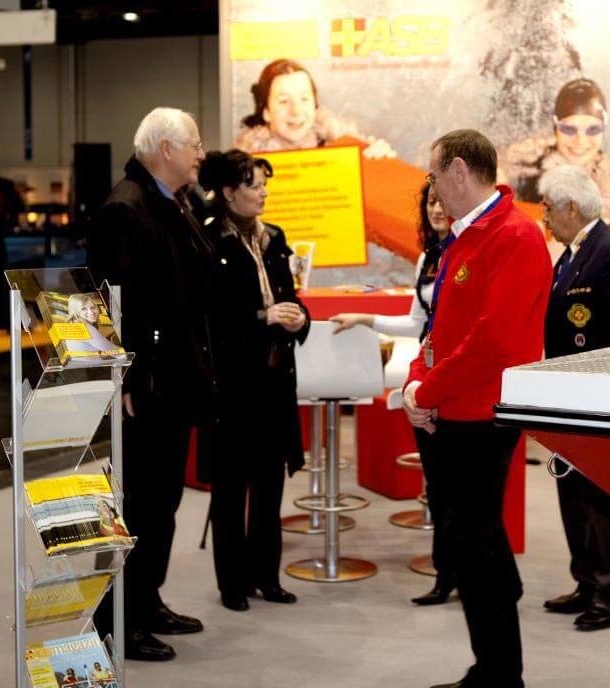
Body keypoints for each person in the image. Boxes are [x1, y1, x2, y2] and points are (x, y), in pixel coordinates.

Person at [403, 129, 551, 688]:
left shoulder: (513, 235)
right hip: (453, 411)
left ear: (459, 171)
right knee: (470, 540)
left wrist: (425, 393)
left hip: (481, 418)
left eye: (435, 175)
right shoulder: (466, 237)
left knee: (473, 543)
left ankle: (498, 675)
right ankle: (491, 667)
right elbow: (440, 330)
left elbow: (495, 342)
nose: (433, 188)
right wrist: (418, 381)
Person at [86, 107, 220, 662]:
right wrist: (125, 376)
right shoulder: (126, 207)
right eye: (193, 144)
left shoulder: (173, 202)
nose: (200, 153)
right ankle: (120, 619)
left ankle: (148, 598)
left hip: (174, 377)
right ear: (165, 148)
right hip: (145, 384)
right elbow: (112, 301)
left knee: (163, 499)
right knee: (139, 502)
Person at [538, 165, 610, 631]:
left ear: (571, 207)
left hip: (599, 401)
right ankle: (586, 583)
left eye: (548, 207)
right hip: (568, 400)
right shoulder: (571, 256)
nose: (544, 217)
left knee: (602, 500)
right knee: (573, 494)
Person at [328, 182, 456, 606]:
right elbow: (417, 323)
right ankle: (446, 577)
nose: (436, 209)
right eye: (430, 202)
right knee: (437, 483)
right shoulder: (428, 257)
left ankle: (465, 575)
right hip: (428, 376)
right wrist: (366, 318)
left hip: (458, 379)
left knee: (459, 487)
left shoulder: (468, 251)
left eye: (442, 201)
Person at [201, 148, 308, 612]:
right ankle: (232, 583)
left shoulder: (274, 237)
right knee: (231, 487)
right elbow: (211, 318)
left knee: (270, 483)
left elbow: (290, 298)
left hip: (274, 379)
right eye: (253, 185)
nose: (263, 192)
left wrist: (298, 317)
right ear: (229, 192)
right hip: (232, 383)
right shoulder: (208, 239)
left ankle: (267, 576)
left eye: (265, 184)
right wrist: (264, 317)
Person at [499, 78, 610, 216]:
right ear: (556, 129)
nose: (580, 141)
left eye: (593, 129)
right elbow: (491, 165)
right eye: (569, 129)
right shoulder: (537, 150)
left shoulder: (608, 176)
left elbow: (600, 222)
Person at [232, 58, 394, 158]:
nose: (296, 111)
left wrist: (379, 158)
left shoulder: (343, 144)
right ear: (266, 112)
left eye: (304, 99)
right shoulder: (244, 165)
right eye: (284, 101)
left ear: (315, 106)